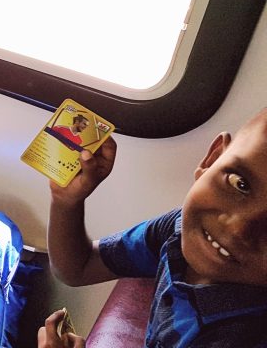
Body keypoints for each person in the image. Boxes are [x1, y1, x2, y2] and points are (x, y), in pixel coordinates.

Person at [45, 109, 267, 347]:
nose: (238, 228)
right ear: (212, 159)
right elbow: (79, 268)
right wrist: (67, 202)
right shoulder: (177, 229)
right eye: (240, 184)